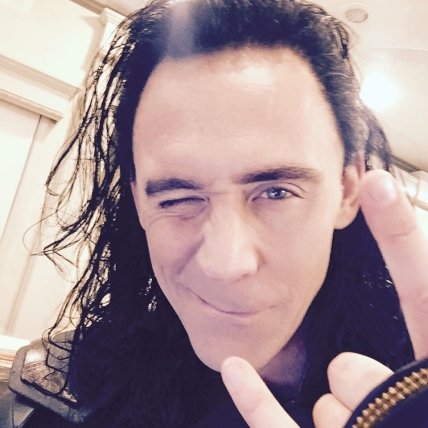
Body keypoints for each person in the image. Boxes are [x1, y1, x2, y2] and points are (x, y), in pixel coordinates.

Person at [1, 0, 427, 427]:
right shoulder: (58, 400)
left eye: (276, 192)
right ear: (138, 202)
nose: (226, 264)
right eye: (176, 199)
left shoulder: (416, 387)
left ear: (347, 190)